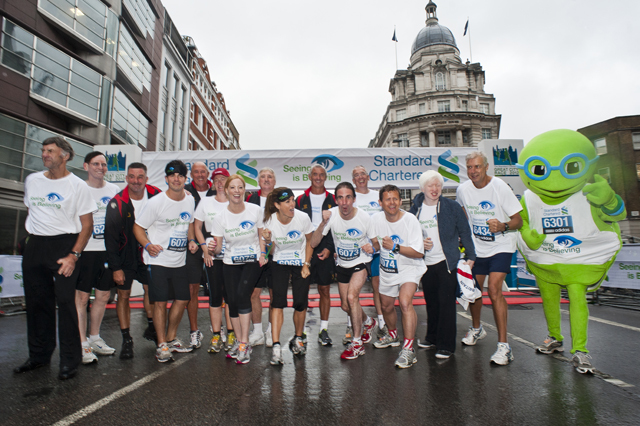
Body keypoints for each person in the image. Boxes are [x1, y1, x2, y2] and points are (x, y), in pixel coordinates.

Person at [15, 136, 96, 380]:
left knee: (66, 302)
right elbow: (33, 212)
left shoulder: (78, 185)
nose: (45, 154)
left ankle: (70, 361)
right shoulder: (33, 180)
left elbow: (87, 225)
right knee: (37, 302)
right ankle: (38, 356)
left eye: (50, 150)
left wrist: (73, 255)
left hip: (65, 246)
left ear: (65, 155)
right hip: (36, 244)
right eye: (43, 151)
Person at [456, 151, 523, 365]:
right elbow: (464, 215)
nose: (473, 171)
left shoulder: (500, 187)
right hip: (477, 248)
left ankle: (504, 346)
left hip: (502, 245)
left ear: (486, 168)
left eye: (477, 167)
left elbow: (518, 221)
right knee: (474, 291)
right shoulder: (463, 189)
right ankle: (477, 328)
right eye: (469, 167)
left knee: (494, 289)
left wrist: (503, 226)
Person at [133, 160, 196, 363]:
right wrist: (147, 245)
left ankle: (170, 338)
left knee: (183, 299)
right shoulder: (156, 202)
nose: (176, 179)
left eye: (180, 175)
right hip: (158, 260)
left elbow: (190, 223)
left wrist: (192, 240)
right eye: (172, 175)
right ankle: (161, 345)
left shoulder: (189, 199)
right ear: (167, 179)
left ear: (185, 179)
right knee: (160, 302)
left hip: (179, 261)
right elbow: (137, 227)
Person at [409, 171, 476, 359]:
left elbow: (465, 231)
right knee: (431, 302)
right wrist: (420, 243)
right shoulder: (415, 210)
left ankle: (446, 345)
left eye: (438, 185)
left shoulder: (452, 207)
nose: (435, 189)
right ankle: (432, 337)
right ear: (423, 188)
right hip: (425, 264)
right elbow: (409, 234)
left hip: (447, 262)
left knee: (446, 303)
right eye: (430, 185)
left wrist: (471, 255)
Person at [311, 182, 377, 360]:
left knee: (351, 297)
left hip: (361, 263)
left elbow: (376, 244)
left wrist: (371, 247)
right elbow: (313, 243)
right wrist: (323, 223)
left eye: (348, 197)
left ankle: (357, 344)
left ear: (354, 199)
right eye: (340, 197)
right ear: (336, 200)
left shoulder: (364, 217)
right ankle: (368, 322)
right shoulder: (331, 215)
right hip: (342, 264)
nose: (344, 202)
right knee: (346, 305)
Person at [105, 162, 161, 359]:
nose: (136, 181)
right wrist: (116, 267)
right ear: (127, 178)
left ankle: (153, 328)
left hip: (149, 252)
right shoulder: (117, 202)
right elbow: (110, 238)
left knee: (150, 291)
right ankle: (126, 338)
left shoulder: (157, 194)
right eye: (132, 177)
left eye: (140, 177)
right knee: (124, 295)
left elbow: (175, 202)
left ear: (146, 179)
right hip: (125, 255)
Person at [210, 175, 268, 364]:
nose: (236, 191)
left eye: (240, 187)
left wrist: (262, 253)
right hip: (230, 262)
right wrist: (213, 248)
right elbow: (218, 248)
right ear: (226, 191)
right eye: (232, 187)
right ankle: (239, 341)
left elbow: (261, 234)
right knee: (232, 301)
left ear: (244, 190)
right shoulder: (220, 217)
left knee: (243, 294)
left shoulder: (255, 210)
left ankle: (244, 343)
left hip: (252, 260)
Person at [368, 184, 426, 368]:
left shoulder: (410, 221)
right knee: (386, 305)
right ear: (380, 202)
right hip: (388, 270)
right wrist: (372, 248)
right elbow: (376, 243)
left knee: (404, 302)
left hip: (409, 267)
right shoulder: (375, 220)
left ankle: (409, 349)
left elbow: (419, 253)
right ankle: (392, 335)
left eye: (395, 199)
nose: (392, 203)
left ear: (400, 201)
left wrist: (395, 247)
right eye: (387, 199)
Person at [75, 152, 120, 365]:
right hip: (85, 250)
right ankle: (81, 342)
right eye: (95, 164)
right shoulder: (78, 189)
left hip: (107, 252)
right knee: (82, 298)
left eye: (103, 164)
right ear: (86, 166)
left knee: (102, 297)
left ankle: (94, 337)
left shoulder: (114, 190)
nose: (100, 167)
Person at [262, 187, 314, 365]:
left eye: (293, 200)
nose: (292, 204)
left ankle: (298, 338)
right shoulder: (269, 221)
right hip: (279, 262)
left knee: (300, 302)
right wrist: (268, 242)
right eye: (287, 202)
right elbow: (270, 251)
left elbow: (310, 240)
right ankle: (276, 346)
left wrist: (307, 263)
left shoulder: (302, 217)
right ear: (277, 205)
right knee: (277, 302)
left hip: (299, 261)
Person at [193, 167, 233, 353]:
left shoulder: (235, 201)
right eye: (216, 179)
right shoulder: (205, 202)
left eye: (223, 179)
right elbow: (197, 227)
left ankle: (231, 334)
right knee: (215, 296)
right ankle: (216, 335)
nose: (219, 182)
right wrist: (204, 250)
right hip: (212, 257)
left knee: (231, 297)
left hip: (233, 258)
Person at [295, 164, 336, 345]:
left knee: (324, 290)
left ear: (325, 178)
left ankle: (323, 329)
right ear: (310, 177)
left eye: (321, 175)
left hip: (325, 248)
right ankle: (301, 331)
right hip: (305, 250)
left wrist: (329, 248)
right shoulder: (300, 199)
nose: (318, 178)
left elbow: (336, 227)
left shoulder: (333, 199)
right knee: (302, 292)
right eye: (315, 174)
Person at [352, 165, 387, 343]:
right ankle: (355, 323)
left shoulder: (376, 196)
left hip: (377, 248)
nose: (360, 177)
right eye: (356, 175)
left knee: (377, 286)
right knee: (352, 292)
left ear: (368, 177)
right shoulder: (351, 198)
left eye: (362, 174)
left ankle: (381, 322)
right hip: (358, 250)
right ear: (353, 180)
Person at [184, 162, 216, 349]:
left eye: (203, 171)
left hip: (215, 246)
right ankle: (194, 331)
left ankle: (218, 329)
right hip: (194, 246)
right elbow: (189, 220)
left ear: (208, 174)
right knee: (192, 289)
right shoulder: (185, 191)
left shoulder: (216, 192)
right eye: (196, 172)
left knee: (219, 288)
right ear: (191, 174)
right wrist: (192, 240)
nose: (200, 175)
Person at [245, 167, 276, 347]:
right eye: (263, 177)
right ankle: (257, 331)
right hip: (255, 253)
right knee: (253, 293)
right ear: (258, 181)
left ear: (274, 181)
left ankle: (272, 330)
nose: (266, 180)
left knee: (274, 293)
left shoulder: (280, 199)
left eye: (269, 177)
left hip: (275, 251)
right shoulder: (250, 199)